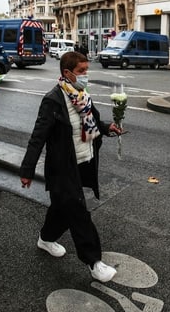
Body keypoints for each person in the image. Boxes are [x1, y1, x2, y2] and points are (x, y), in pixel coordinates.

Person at [19, 51, 122, 283]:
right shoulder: (53, 100)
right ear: (67, 73)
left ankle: (45, 238)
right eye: (81, 71)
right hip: (62, 167)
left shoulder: (82, 95)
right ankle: (94, 262)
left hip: (83, 161)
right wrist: (27, 170)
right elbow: (38, 136)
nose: (86, 75)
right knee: (77, 211)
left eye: (86, 70)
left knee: (62, 208)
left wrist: (107, 128)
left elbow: (92, 121)